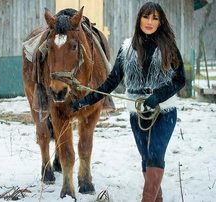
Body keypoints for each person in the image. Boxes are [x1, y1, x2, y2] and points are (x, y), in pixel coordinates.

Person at [71, 2, 185, 202]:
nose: (149, 22)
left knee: (155, 155)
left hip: (163, 111)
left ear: (160, 22)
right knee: (145, 159)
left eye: (155, 18)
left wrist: (157, 97)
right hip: (137, 112)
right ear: (139, 19)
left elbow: (179, 79)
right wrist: (85, 101)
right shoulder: (126, 49)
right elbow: (110, 83)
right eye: (146, 17)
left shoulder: (169, 47)